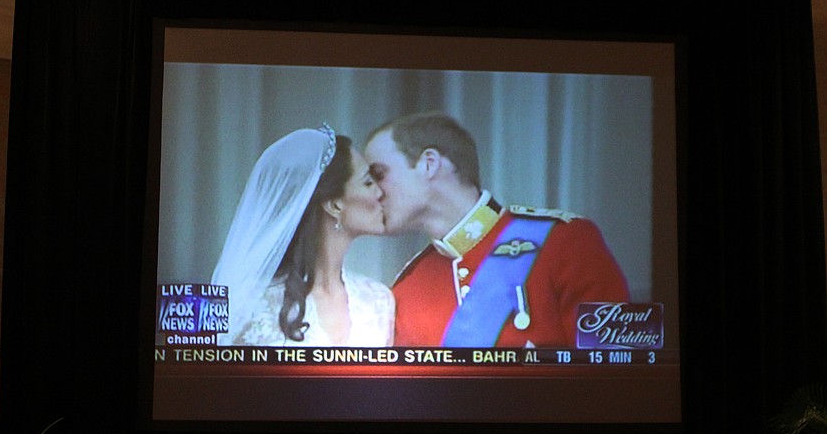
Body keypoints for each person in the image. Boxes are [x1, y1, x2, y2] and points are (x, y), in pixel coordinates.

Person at [363, 111, 630, 348]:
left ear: (429, 164)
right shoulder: (408, 286)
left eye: (379, 174)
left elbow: (617, 374)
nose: (372, 192)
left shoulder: (564, 241)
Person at [212, 124, 394, 346]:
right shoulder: (251, 305)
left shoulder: (378, 300)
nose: (381, 192)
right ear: (334, 205)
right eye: (368, 183)